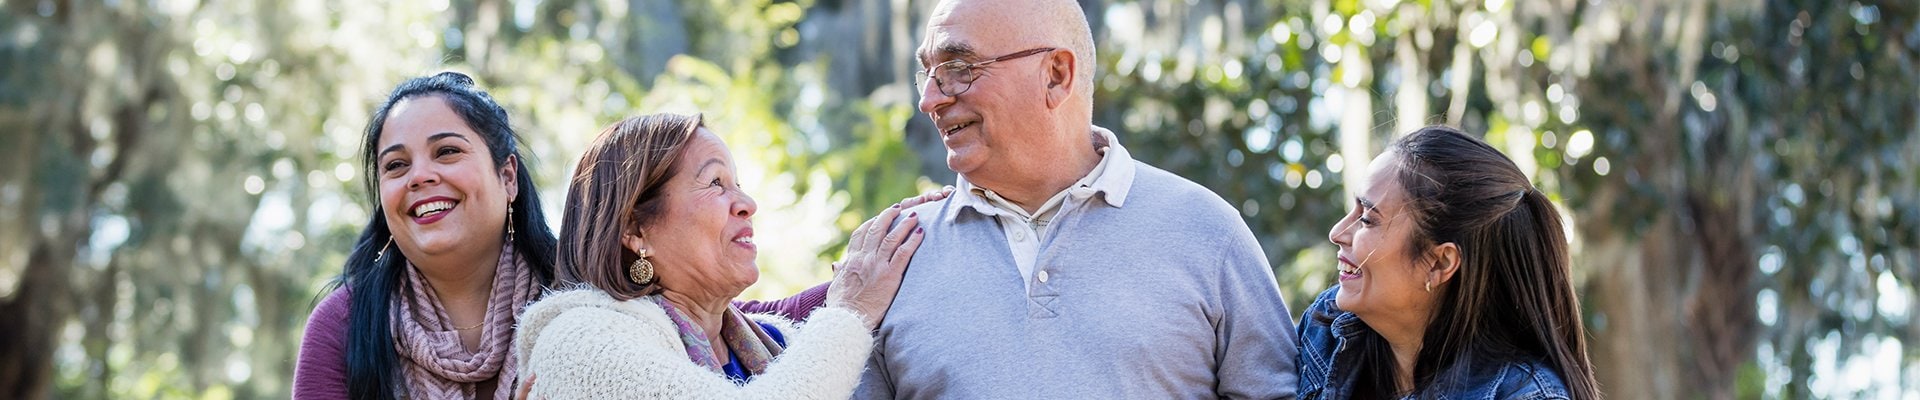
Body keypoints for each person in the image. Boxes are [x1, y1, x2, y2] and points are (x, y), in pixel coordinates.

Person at [292, 73, 853, 399]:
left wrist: (863, 271)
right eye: (395, 166)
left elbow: (725, 318)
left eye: (447, 152)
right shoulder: (346, 325)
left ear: (507, 176)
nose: (420, 177)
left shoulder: (578, 292)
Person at [854, 0, 1299, 398]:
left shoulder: (1207, 230)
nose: (929, 100)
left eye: (958, 68)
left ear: (1056, 75)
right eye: (928, 74)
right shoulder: (889, 256)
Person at [513, 113, 940, 398]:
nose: (746, 203)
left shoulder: (773, 344)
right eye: (716, 183)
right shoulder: (577, 342)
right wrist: (851, 310)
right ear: (634, 229)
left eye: (738, 183)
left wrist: (927, 233)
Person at [1297, 126, 1601, 399]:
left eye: (1367, 219)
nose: (1337, 233)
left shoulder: (1524, 395)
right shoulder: (1329, 329)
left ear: (1439, 263)